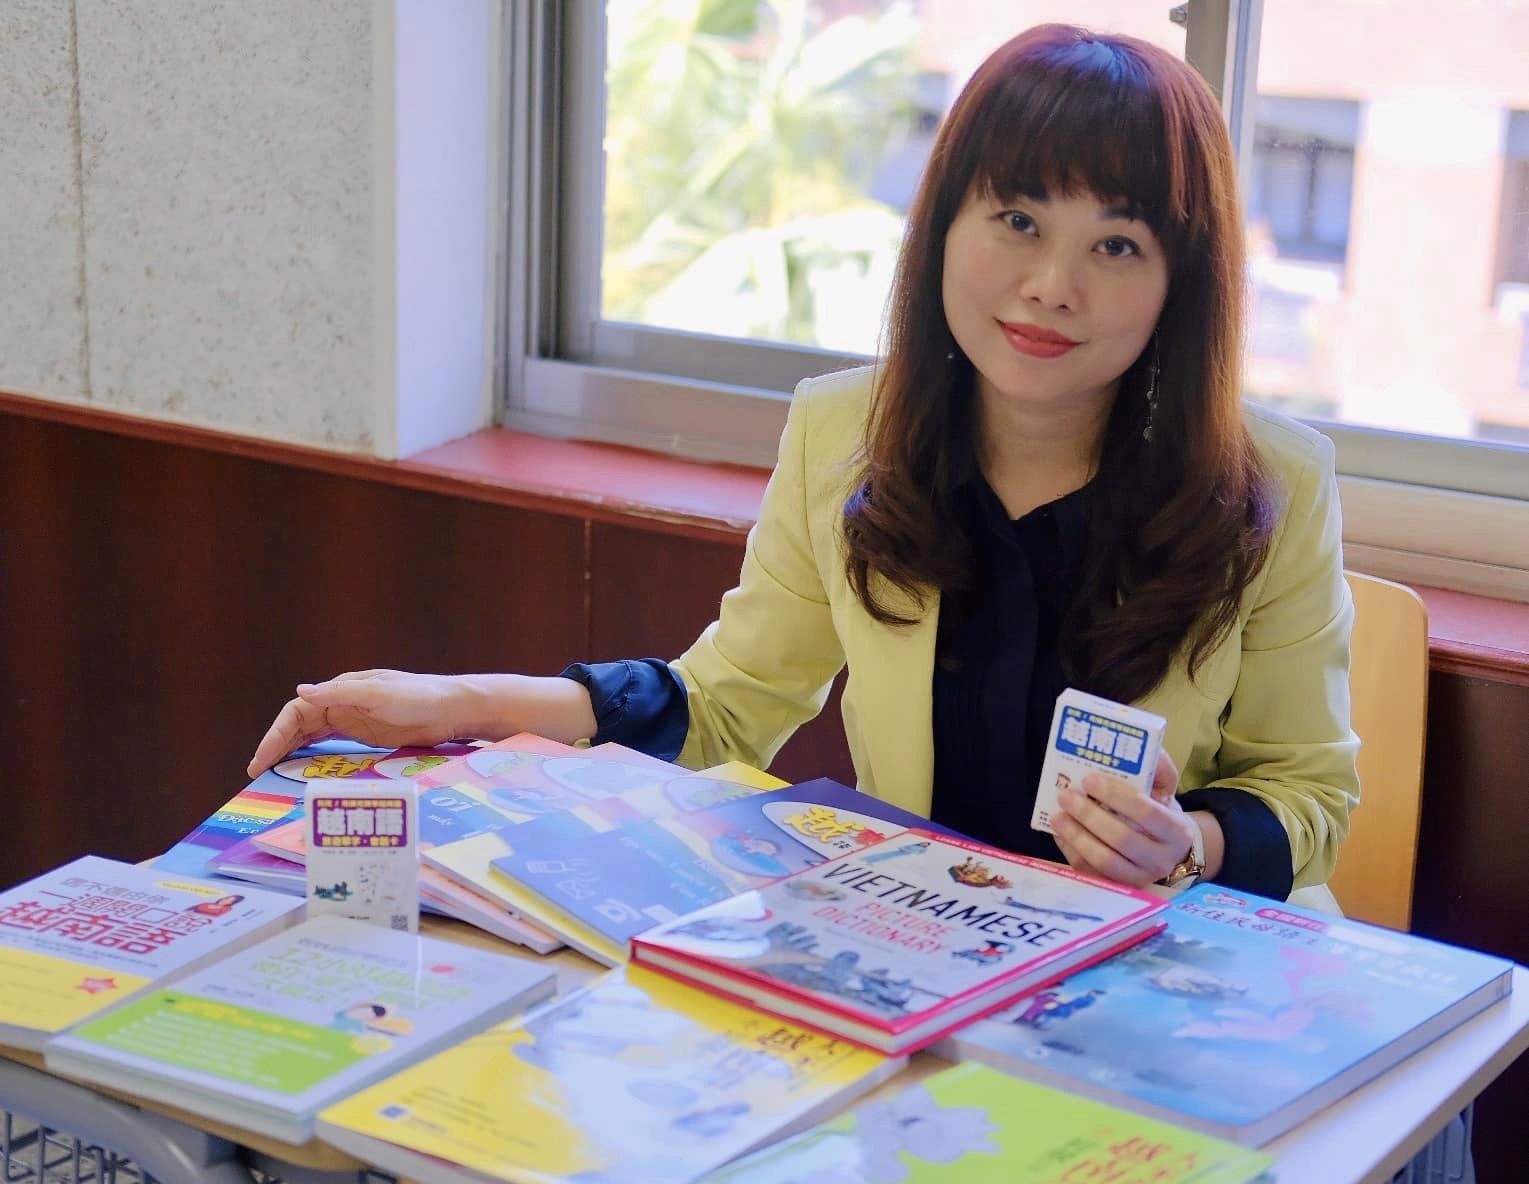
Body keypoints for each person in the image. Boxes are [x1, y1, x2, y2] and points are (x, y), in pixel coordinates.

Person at [247, 25, 1357, 907]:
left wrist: (1190, 842)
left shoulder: (1269, 485)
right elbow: (722, 705)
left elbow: (1309, 790)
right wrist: (450, 703)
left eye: (1115, 245)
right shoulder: (844, 438)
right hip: (922, 948)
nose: (1050, 285)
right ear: (942, 226)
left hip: (1165, 970)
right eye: (1016, 219)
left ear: (1178, 280)